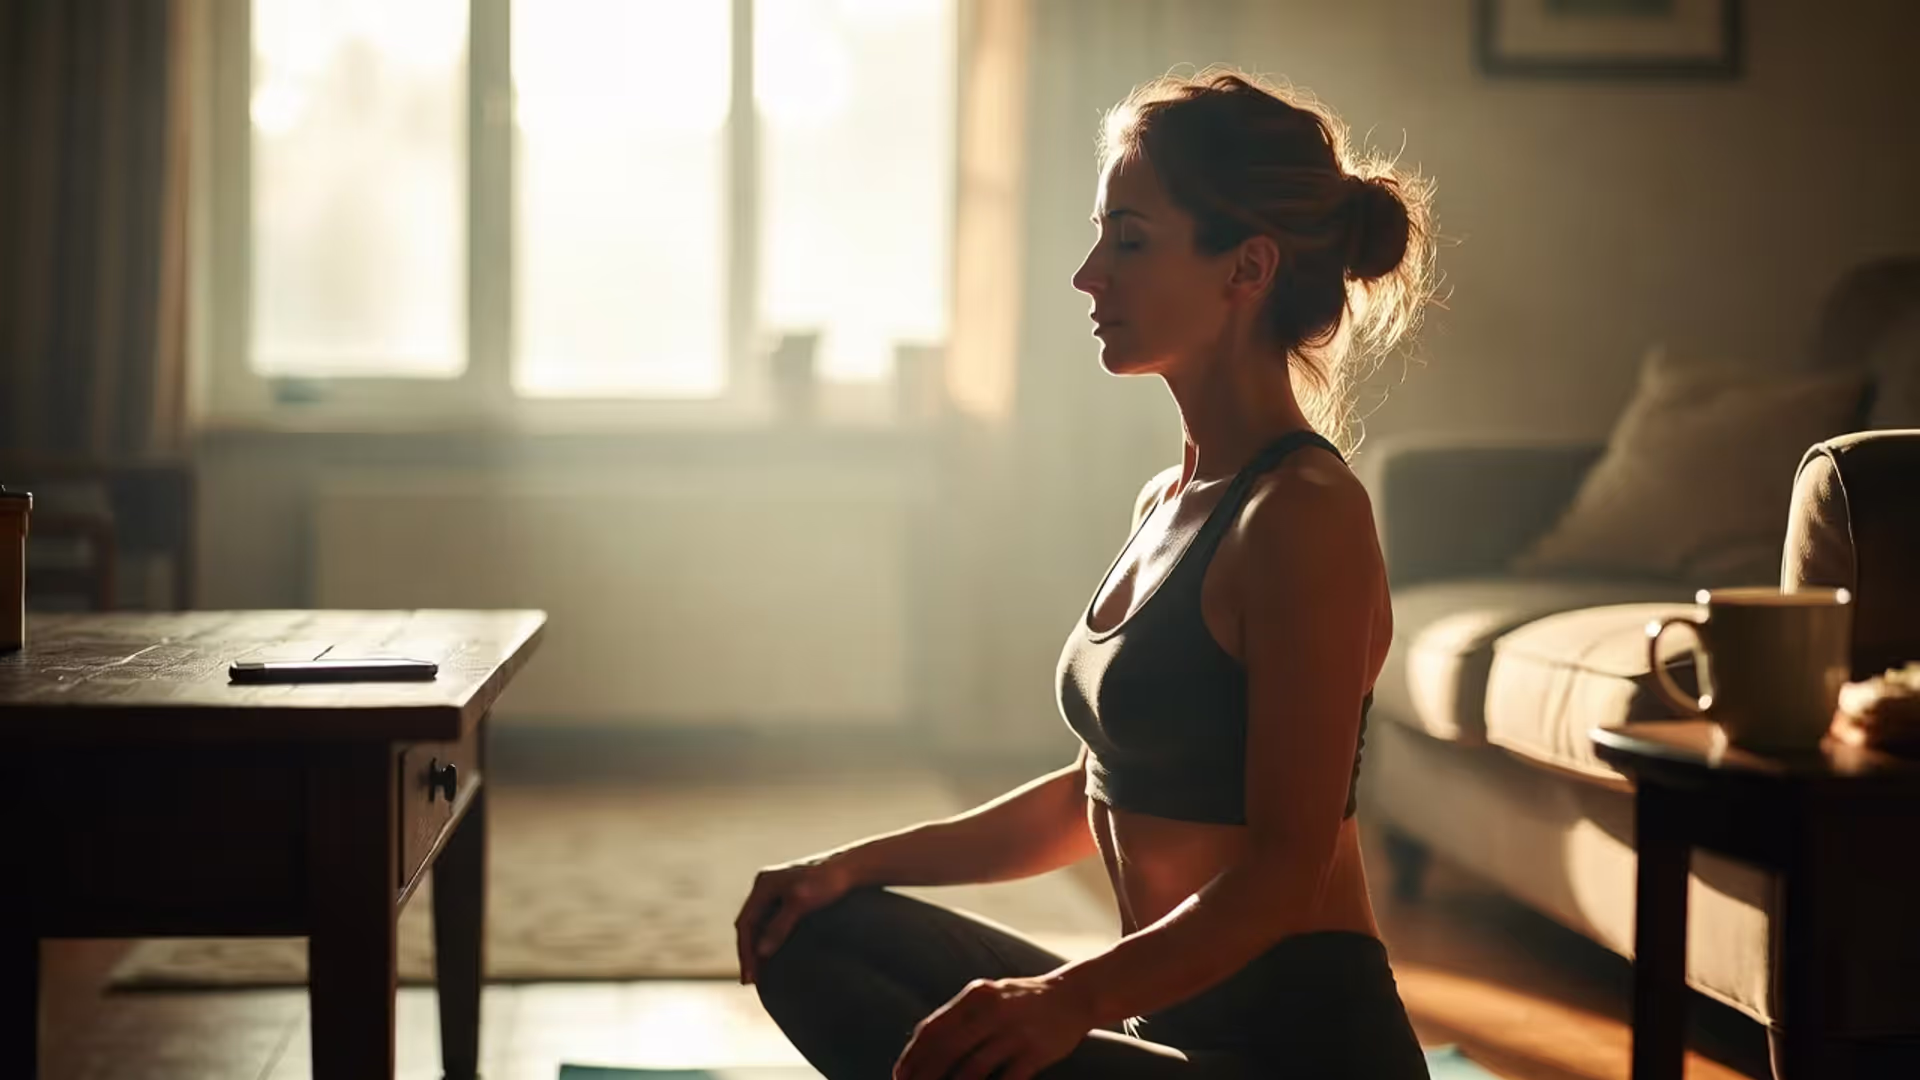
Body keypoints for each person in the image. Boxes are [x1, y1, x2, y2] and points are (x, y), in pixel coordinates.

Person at [735, 66, 1437, 1079]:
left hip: (1291, 1055)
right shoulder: (1170, 498)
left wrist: (1071, 997)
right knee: (810, 932)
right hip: (1161, 1030)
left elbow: (1285, 868)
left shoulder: (1304, 518)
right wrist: (847, 867)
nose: (1088, 275)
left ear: (1246, 269)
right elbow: (1092, 795)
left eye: (1130, 241)